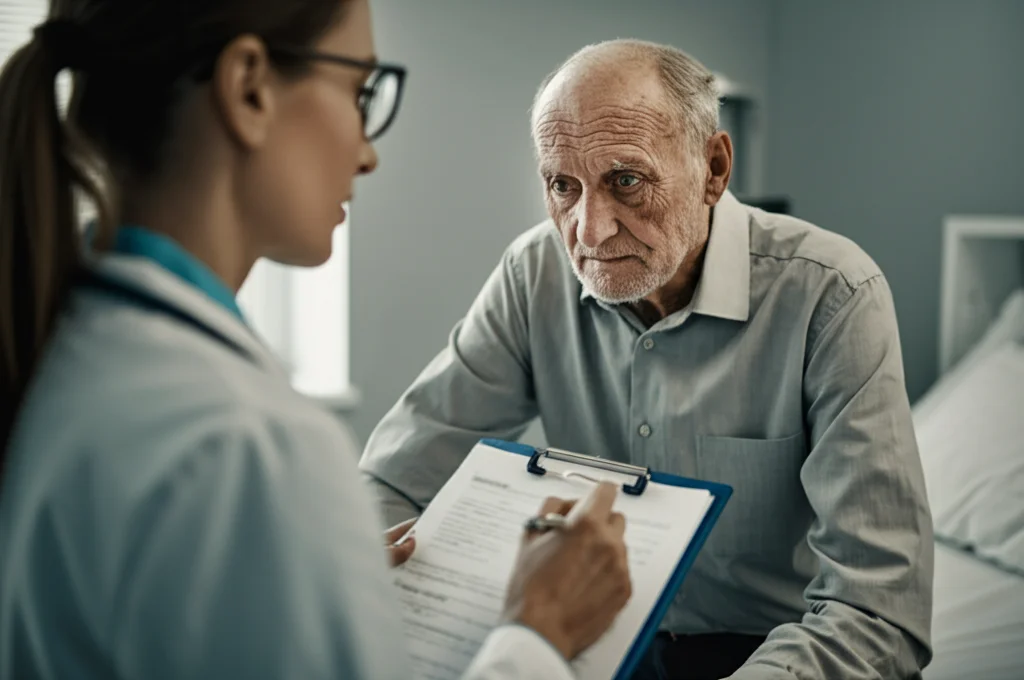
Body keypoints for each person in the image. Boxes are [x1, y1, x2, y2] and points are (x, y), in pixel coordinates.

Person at [0, 1, 633, 678]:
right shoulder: (247, 447)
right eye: (359, 90)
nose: (367, 152)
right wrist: (539, 631)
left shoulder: (64, 354)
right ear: (248, 88)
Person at [361, 39, 934, 680]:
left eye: (626, 181)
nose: (589, 230)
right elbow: (392, 481)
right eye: (562, 186)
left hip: (770, 648)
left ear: (714, 169)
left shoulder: (832, 294)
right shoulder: (533, 274)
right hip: (583, 642)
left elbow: (880, 610)